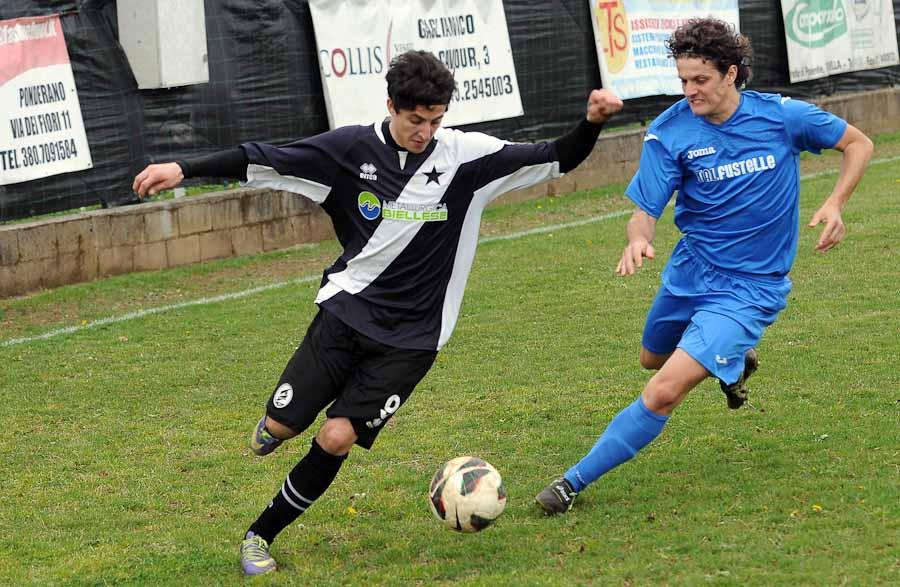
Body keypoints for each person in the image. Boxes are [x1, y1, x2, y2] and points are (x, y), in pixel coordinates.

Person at [133, 50, 623, 575]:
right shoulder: (349, 150)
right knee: (280, 425)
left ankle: (259, 535)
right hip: (345, 315)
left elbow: (556, 156)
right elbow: (265, 157)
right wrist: (184, 167)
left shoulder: (468, 157)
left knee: (337, 437)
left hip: (413, 339)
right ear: (391, 105)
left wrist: (590, 123)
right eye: (416, 120)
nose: (426, 131)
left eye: (436, 120)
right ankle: (276, 425)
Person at [535, 17, 873, 514]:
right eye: (683, 81)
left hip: (751, 289)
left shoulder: (781, 117)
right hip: (690, 273)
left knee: (664, 389)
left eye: (701, 80)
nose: (690, 91)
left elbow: (858, 143)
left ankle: (570, 483)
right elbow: (644, 212)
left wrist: (837, 202)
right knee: (652, 359)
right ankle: (733, 362)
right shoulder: (671, 130)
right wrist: (637, 240)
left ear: (731, 74)